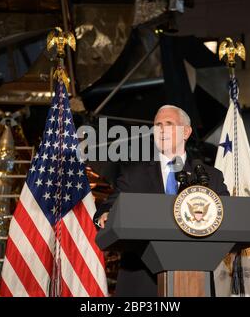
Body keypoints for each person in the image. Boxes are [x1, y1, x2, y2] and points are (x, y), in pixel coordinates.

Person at [94, 105, 229, 296]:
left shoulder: (209, 176)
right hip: (141, 282)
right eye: (157, 125)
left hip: (194, 282)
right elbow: (107, 208)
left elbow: (228, 217)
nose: (162, 129)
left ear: (186, 132)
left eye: (169, 124)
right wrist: (106, 215)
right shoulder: (134, 174)